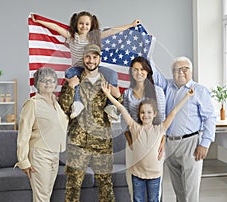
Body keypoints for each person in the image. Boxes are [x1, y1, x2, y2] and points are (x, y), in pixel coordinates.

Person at [32, 12, 139, 120]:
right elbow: (57, 28)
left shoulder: (94, 37)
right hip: (78, 69)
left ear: (91, 25)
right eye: (81, 23)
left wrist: (130, 25)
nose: (84, 26)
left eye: (87, 24)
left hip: (93, 68)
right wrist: (39, 20)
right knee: (69, 73)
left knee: (112, 74)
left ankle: (110, 106)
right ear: (76, 24)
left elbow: (112, 31)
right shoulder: (73, 37)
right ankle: (77, 104)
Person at [102, 80, 194, 202]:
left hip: (154, 175)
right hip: (137, 174)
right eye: (143, 112)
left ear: (155, 114)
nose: (146, 115)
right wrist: (108, 95)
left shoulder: (159, 129)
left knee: (153, 200)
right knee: (138, 199)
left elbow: (173, 112)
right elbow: (122, 109)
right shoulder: (135, 127)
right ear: (139, 114)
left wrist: (187, 96)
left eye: (149, 112)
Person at [58, 43, 122, 202]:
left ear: (100, 59)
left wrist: (117, 95)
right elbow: (64, 108)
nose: (91, 60)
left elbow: (118, 110)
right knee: (73, 185)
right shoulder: (73, 79)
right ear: (83, 59)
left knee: (105, 184)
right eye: (88, 57)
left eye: (94, 57)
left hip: (102, 142)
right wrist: (72, 87)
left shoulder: (108, 80)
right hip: (77, 142)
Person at [155, 56, 216, 202]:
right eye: (176, 70)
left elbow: (210, 118)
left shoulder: (200, 90)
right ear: (172, 73)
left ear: (191, 71)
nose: (180, 72)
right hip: (170, 143)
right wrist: (148, 46)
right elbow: (154, 73)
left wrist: (205, 143)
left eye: (185, 69)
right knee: (179, 189)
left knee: (190, 190)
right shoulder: (167, 86)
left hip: (191, 144)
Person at [15, 67, 69, 202]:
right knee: (41, 196)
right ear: (37, 84)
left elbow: (61, 124)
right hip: (39, 154)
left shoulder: (56, 103)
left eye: (51, 80)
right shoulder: (32, 104)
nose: (48, 83)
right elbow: (23, 134)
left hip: (55, 153)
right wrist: (23, 161)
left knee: (47, 193)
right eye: (43, 80)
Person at [121, 56, 166, 201]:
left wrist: (162, 143)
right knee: (134, 186)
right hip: (134, 143)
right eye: (135, 69)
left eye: (142, 69)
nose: (138, 73)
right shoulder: (127, 93)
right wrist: (131, 143)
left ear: (147, 72)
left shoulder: (157, 91)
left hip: (154, 144)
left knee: (155, 190)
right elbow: (124, 122)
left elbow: (162, 122)